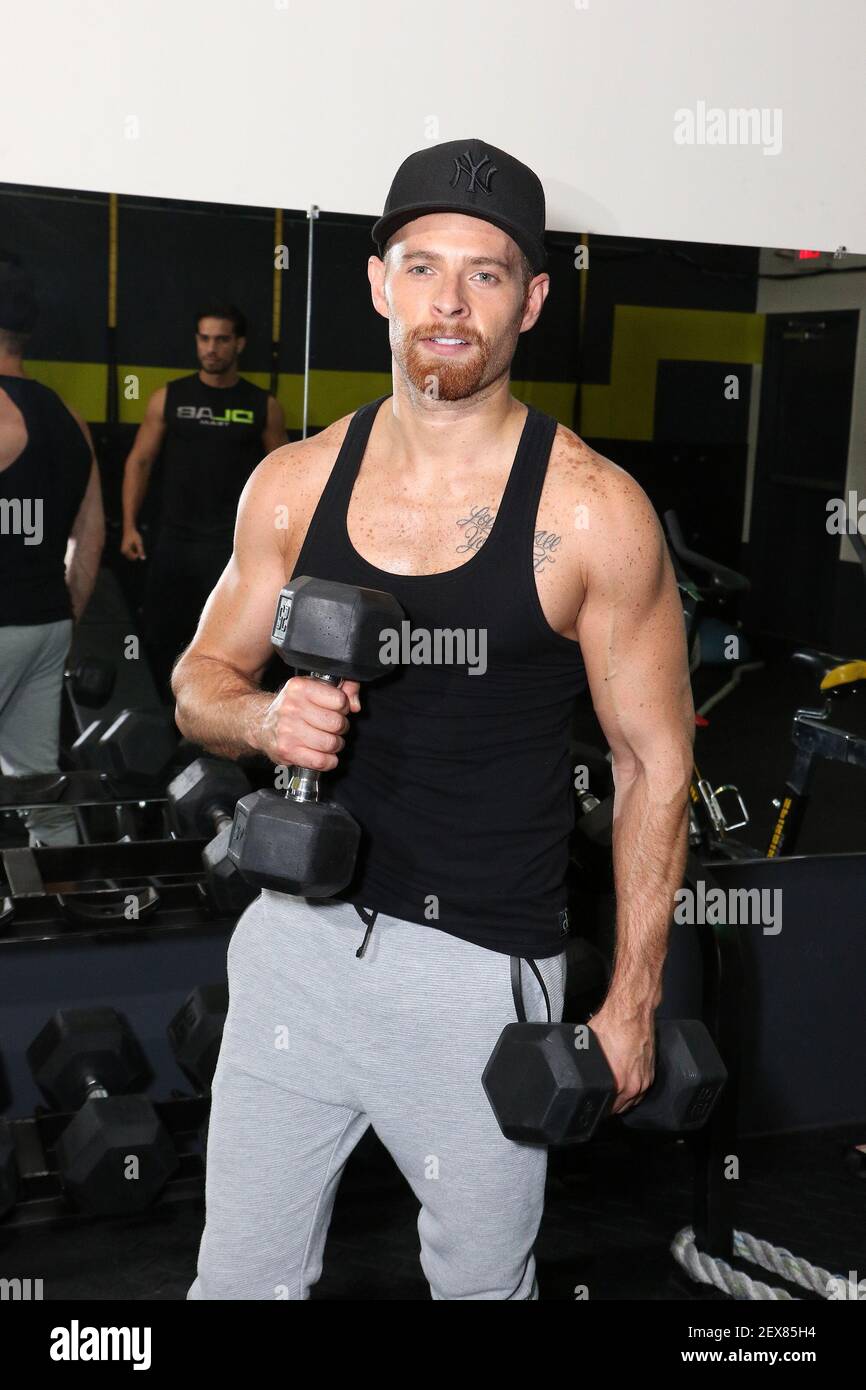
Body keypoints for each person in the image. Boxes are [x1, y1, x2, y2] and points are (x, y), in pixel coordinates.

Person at [172, 139, 694, 1301]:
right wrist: (264, 719)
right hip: (293, 957)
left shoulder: (592, 513)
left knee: (476, 1292)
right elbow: (197, 677)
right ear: (376, 285)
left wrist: (632, 999)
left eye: (486, 275)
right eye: (420, 268)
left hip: (477, 979)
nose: (447, 304)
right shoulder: (293, 482)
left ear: (533, 302)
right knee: (236, 1283)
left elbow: (653, 763)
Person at [120, 305, 287, 699]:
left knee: (231, 647)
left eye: (222, 339)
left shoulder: (262, 405)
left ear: (239, 344)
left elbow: (283, 474)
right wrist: (128, 524)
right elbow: (140, 461)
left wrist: (282, 542)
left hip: (232, 550)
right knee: (163, 638)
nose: (211, 348)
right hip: (173, 542)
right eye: (204, 338)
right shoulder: (170, 397)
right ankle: (166, 724)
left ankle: (217, 728)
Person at [0, 255, 105, 846]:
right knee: (38, 781)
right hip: (47, 624)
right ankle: (65, 896)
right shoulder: (67, 416)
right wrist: (65, 614)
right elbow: (90, 535)